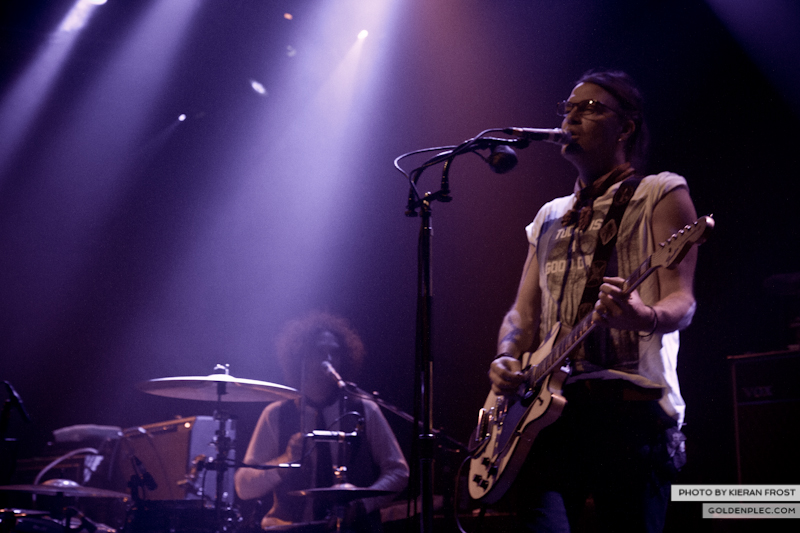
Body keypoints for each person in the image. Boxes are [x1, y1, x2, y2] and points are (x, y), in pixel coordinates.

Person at [488, 70, 698, 532]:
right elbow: (523, 312)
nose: (571, 118)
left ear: (626, 127)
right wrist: (505, 355)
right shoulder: (549, 215)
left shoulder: (661, 192)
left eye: (590, 108)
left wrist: (643, 316)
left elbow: (682, 302)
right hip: (547, 416)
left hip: (629, 409)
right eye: (568, 108)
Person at [235, 311, 409, 532]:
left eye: (334, 352)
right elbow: (243, 487)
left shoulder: (364, 409)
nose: (328, 359)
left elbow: (398, 472)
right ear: (300, 358)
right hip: (290, 528)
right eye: (319, 351)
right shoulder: (276, 414)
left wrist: (364, 505)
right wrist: (285, 460)